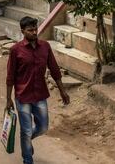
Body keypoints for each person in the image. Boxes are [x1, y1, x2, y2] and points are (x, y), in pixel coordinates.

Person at [6, 16, 70, 164]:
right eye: (30, 30)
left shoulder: (45, 47)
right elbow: (10, 76)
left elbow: (54, 70)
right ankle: (27, 159)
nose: (34, 32)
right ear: (23, 31)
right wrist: (8, 98)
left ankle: (26, 141)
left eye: (36, 29)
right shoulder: (15, 50)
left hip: (40, 95)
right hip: (22, 96)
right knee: (26, 130)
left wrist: (62, 90)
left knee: (43, 127)